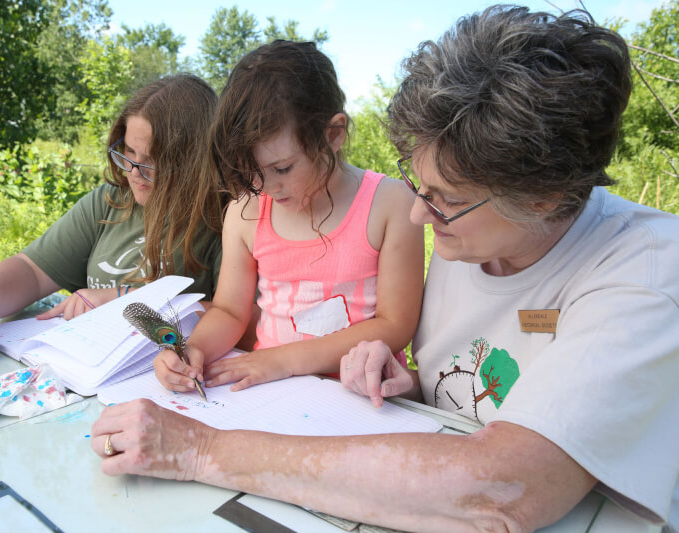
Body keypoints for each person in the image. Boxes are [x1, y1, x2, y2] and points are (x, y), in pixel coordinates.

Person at [90, 7, 679, 532]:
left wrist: (200, 451)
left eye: (445, 197)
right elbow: (471, 390)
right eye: (418, 181)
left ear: (545, 196)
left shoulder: (646, 274)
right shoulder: (474, 236)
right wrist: (407, 383)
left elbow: (503, 488)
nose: (420, 213)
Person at [153, 40, 424, 394]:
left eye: (282, 168)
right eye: (251, 171)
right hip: (271, 396)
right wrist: (194, 349)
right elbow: (230, 311)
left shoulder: (390, 205)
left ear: (333, 135)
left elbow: (395, 325)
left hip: (362, 396)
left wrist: (284, 360)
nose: (268, 187)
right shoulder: (246, 212)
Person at [0, 74, 225, 335]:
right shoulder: (112, 201)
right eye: (128, 153)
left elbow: (244, 320)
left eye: (153, 162)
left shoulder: (223, 220)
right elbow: (33, 270)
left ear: (193, 160)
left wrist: (121, 299)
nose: (135, 174)